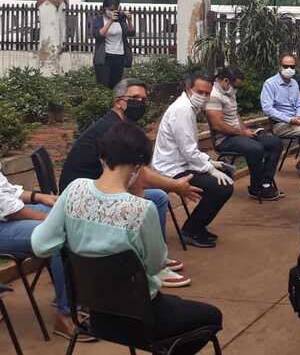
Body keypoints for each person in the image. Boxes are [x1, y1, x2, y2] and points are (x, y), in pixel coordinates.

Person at [32, 122, 223, 355]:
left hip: (97, 317)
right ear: (139, 165)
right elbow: (156, 265)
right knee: (212, 316)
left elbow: (40, 245)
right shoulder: (142, 209)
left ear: (101, 157)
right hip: (144, 318)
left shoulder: (74, 190)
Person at [59, 78, 200, 286]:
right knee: (147, 203)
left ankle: (154, 257)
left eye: (143, 99)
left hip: (103, 189)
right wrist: (175, 185)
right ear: (118, 102)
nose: (140, 103)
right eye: (134, 98)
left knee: (158, 198)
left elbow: (137, 171)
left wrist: (166, 186)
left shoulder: (120, 126)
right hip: (85, 198)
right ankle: (150, 267)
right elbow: (139, 176)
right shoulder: (111, 129)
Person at [0, 167, 85, 341]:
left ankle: (80, 296)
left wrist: (39, 197)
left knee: (71, 212)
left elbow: (7, 191)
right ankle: (67, 314)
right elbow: (10, 209)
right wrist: (52, 220)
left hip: (8, 215)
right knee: (56, 234)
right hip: (4, 223)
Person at [153, 73, 234, 249]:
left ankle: (198, 224)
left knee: (225, 177)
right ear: (189, 89)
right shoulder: (182, 110)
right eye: (200, 92)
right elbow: (189, 150)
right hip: (171, 168)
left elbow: (189, 149)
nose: (203, 97)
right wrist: (210, 168)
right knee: (222, 187)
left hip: (183, 162)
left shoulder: (189, 107)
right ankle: (191, 229)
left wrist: (210, 163)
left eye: (207, 93)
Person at [205, 65, 283, 201]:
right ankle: (256, 188)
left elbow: (235, 115)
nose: (236, 89)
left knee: (275, 143)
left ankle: (265, 183)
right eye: (236, 86)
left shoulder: (229, 91)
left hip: (238, 134)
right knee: (255, 148)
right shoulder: (214, 95)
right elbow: (217, 125)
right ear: (225, 81)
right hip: (224, 139)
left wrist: (246, 130)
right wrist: (242, 133)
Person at [260, 54, 300, 150]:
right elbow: (267, 109)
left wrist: (299, 117)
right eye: (286, 66)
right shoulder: (270, 84)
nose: (289, 69)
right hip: (280, 124)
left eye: (292, 67)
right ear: (280, 67)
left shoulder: (294, 83)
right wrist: (289, 119)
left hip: (296, 121)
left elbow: (299, 103)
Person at [93, 0, 135, 89]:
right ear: (104, 8)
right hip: (104, 57)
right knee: (103, 86)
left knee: (116, 86)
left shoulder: (121, 19)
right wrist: (111, 21)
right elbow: (98, 35)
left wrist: (129, 20)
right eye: (110, 9)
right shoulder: (98, 20)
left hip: (119, 56)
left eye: (115, 9)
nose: (113, 11)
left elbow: (131, 33)